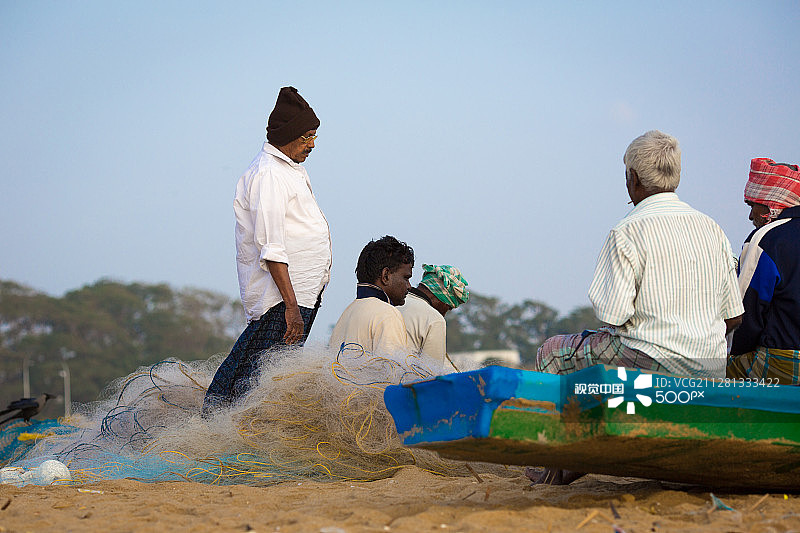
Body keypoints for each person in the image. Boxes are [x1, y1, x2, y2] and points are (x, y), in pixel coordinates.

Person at [530, 130, 744, 485]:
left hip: (652, 357)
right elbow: (733, 316)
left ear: (633, 178)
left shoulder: (628, 230)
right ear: (676, 176)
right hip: (709, 366)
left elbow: (612, 316)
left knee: (552, 353)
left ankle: (557, 468)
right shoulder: (712, 228)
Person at [203, 87, 331, 414]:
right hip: (281, 300)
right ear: (288, 136)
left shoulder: (290, 169)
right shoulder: (269, 174)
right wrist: (291, 306)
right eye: (307, 137)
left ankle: (236, 426)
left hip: (297, 296)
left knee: (271, 379)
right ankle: (219, 427)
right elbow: (271, 248)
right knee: (253, 381)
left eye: (314, 136)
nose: (312, 145)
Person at [728, 158, 800, 384]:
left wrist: (729, 351)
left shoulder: (765, 239)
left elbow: (744, 316)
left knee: (707, 372)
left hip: (782, 362)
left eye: (753, 206)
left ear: (771, 207)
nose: (751, 216)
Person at [329, 236, 414, 355]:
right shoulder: (387, 314)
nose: (409, 286)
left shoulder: (347, 313)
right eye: (406, 278)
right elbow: (392, 365)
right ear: (386, 276)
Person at [399, 264, 469, 368]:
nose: (444, 314)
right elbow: (432, 371)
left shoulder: (390, 303)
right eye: (448, 308)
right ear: (442, 298)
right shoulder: (435, 319)